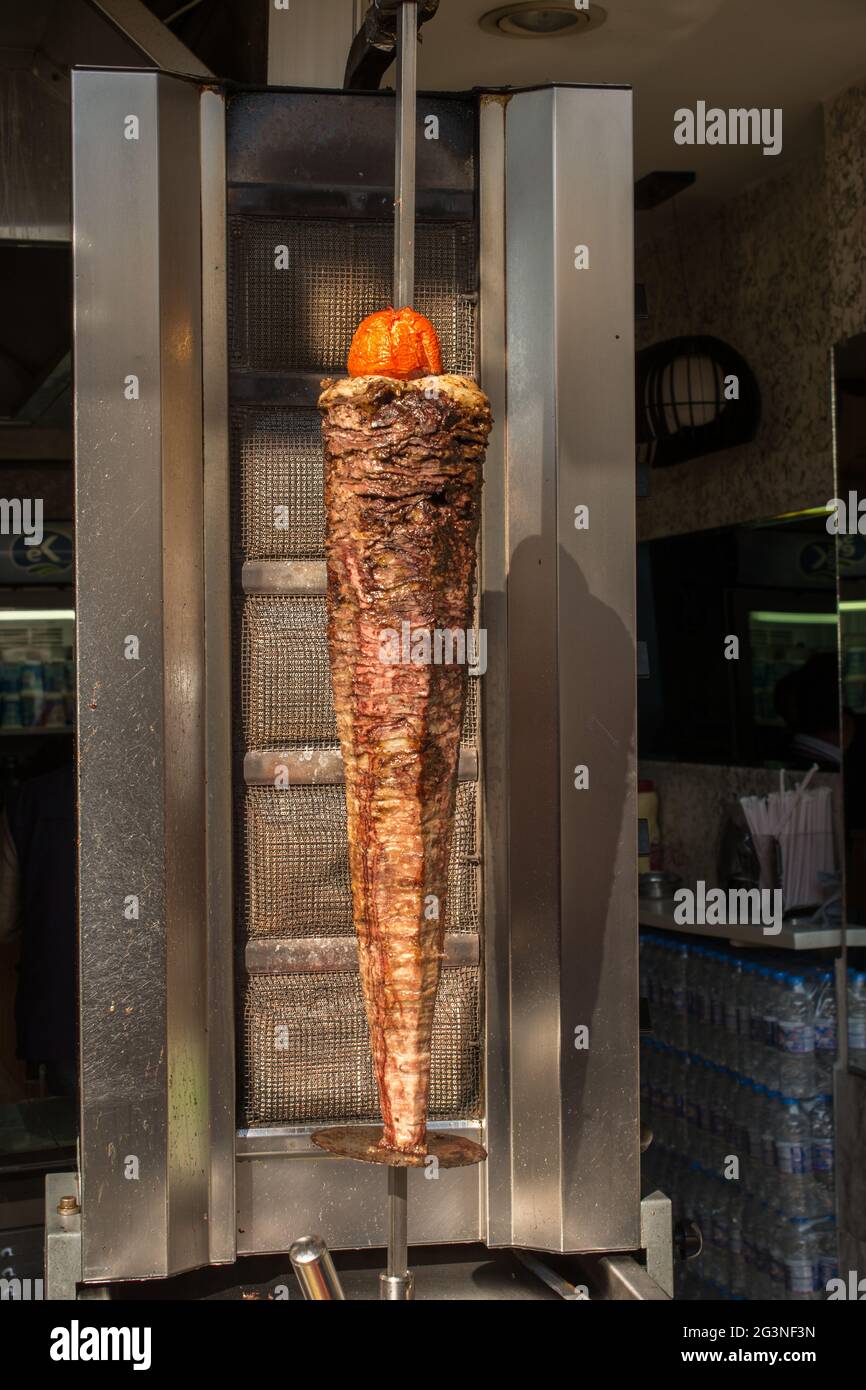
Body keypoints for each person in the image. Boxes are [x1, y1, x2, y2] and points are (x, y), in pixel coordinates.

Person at [0, 763, 76, 1096]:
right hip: (147, 1007)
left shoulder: (28, 801)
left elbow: (4, 921)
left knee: (67, 1129)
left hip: (56, 1004)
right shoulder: (150, 788)